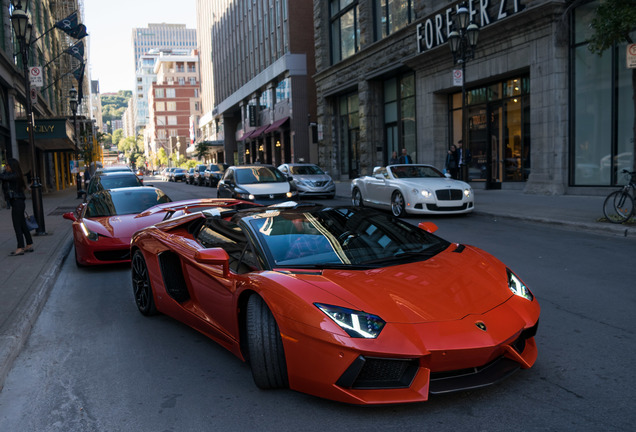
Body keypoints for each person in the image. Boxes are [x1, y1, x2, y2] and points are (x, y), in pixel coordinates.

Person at [0, 158, 34, 256]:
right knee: (22, 224)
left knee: (17, 225)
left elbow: (3, 177)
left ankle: (20, 247)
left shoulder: (15, 175)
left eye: (7, 165)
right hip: (17, 202)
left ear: (12, 166)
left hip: (17, 202)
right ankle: (29, 244)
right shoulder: (14, 174)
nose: (6, 167)